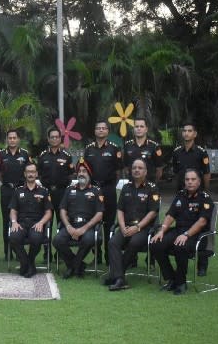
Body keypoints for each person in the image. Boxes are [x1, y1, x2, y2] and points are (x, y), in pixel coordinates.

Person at [150, 169, 214, 295]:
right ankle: (171, 278)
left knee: (180, 245)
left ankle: (181, 283)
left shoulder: (205, 198)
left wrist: (186, 235)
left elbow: (202, 222)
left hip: (197, 235)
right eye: (187, 179)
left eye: (193, 179)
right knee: (156, 243)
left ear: (199, 181)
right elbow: (170, 216)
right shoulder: (180, 195)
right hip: (179, 231)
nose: (189, 182)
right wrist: (162, 230)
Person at [105, 159, 160, 291]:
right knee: (112, 242)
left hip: (143, 228)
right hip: (126, 227)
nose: (136, 170)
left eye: (140, 168)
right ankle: (120, 278)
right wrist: (123, 226)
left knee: (134, 242)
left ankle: (116, 276)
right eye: (134, 167)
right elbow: (120, 209)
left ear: (145, 171)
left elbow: (153, 212)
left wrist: (138, 227)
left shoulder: (152, 188)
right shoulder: (126, 187)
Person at [171, 121, 212, 275]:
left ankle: (202, 264)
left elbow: (207, 173)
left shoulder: (201, 152)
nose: (186, 133)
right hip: (182, 194)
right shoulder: (177, 152)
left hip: (199, 195)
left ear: (195, 134)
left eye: (190, 131)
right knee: (181, 224)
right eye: (184, 131)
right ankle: (181, 263)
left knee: (202, 226)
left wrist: (205, 191)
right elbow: (176, 172)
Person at [53, 159, 104, 279]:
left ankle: (73, 266)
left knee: (88, 240)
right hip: (71, 225)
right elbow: (62, 211)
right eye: (79, 171)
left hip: (88, 227)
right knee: (57, 240)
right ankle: (78, 265)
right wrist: (69, 227)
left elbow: (99, 214)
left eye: (84, 171)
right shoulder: (70, 190)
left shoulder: (96, 191)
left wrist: (83, 229)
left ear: (89, 174)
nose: (81, 173)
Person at [83, 119, 122, 264]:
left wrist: (109, 186)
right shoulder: (89, 149)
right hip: (93, 190)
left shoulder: (114, 148)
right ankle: (97, 255)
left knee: (109, 222)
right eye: (98, 128)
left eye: (103, 128)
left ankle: (108, 255)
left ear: (107, 131)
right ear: (95, 131)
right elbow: (85, 171)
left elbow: (118, 171)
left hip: (108, 189)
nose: (100, 130)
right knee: (94, 223)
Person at [8, 163, 52, 278]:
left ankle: (28, 262)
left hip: (36, 223)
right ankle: (26, 263)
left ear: (36, 174)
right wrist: (14, 222)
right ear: (25, 174)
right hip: (21, 223)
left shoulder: (44, 191)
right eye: (28, 172)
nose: (31, 174)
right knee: (13, 237)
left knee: (36, 238)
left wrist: (42, 222)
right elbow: (13, 210)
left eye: (33, 172)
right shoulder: (18, 191)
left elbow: (48, 212)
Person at [37, 126, 74, 260]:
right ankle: (47, 253)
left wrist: (63, 187)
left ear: (60, 138)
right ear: (48, 139)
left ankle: (60, 252)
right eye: (52, 137)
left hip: (62, 193)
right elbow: (39, 174)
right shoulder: (42, 156)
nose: (54, 139)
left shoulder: (67, 156)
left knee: (62, 221)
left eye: (56, 137)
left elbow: (71, 175)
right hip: (47, 193)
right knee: (46, 222)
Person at [0, 129, 32, 260]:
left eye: (14, 137)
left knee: (19, 219)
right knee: (6, 221)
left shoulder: (25, 154)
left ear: (18, 139)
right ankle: (7, 251)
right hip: (6, 190)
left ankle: (17, 250)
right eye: (9, 138)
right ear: (7, 140)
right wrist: (6, 183)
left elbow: (29, 172)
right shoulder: (0, 155)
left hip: (21, 191)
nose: (12, 140)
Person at [123, 117, 163, 182]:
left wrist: (153, 182)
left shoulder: (154, 146)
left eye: (141, 126)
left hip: (149, 184)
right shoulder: (127, 145)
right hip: (132, 184)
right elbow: (126, 168)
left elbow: (159, 169)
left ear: (146, 129)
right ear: (133, 129)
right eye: (136, 126)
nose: (139, 128)